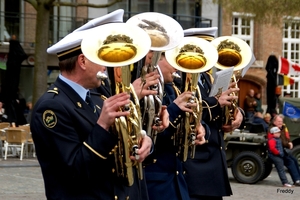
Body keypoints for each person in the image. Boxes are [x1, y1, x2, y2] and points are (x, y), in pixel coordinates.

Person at [30, 10, 165, 199]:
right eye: (101, 58)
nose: (106, 66)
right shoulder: (51, 107)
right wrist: (102, 125)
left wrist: (145, 142)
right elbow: (74, 171)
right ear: (83, 61)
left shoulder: (99, 93)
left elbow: (125, 140)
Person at [181, 27, 244, 200]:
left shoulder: (208, 77)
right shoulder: (181, 78)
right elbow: (189, 110)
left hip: (213, 165)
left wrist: (238, 113)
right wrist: (217, 103)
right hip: (195, 165)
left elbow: (220, 106)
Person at [142, 52, 206, 200]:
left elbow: (188, 122)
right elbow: (152, 135)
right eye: (172, 61)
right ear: (156, 59)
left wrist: (198, 127)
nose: (177, 67)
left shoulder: (172, 88)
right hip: (156, 184)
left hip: (176, 180)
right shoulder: (145, 91)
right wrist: (175, 108)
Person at [268, 114, 300, 186]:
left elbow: (286, 137)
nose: (280, 123)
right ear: (274, 122)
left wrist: (289, 142)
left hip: (283, 149)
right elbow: (279, 142)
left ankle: (298, 178)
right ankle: (296, 180)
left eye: (281, 121)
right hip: (279, 151)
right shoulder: (273, 129)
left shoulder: (282, 128)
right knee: (290, 162)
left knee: (294, 160)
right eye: (279, 121)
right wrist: (288, 144)